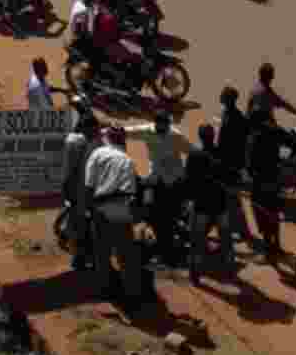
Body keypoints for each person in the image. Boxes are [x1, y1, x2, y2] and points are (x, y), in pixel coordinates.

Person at [85, 126, 142, 305]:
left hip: (100, 212)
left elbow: (89, 186)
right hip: (121, 214)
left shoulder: (97, 154)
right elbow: (131, 193)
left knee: (101, 254)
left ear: (108, 138)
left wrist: (90, 209)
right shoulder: (127, 161)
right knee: (126, 257)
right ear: (122, 141)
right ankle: (131, 295)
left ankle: (105, 292)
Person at [183, 123, 236, 285]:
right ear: (213, 136)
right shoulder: (222, 153)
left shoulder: (194, 154)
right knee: (226, 239)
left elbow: (188, 181)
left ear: (200, 136)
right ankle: (229, 270)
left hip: (201, 206)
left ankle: (195, 275)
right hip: (220, 205)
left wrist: (189, 199)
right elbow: (230, 178)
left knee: (197, 241)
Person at [138, 111, 188, 265]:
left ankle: (169, 243)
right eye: (162, 125)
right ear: (156, 124)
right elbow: (127, 131)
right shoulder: (147, 131)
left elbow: (189, 150)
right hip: (157, 180)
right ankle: (165, 241)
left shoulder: (175, 135)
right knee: (155, 213)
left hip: (174, 182)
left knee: (169, 214)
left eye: (166, 125)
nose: (164, 127)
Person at [246, 61, 296, 162]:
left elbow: (249, 111)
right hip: (266, 129)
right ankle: (283, 164)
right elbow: (286, 106)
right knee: (292, 142)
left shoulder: (254, 89)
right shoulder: (266, 92)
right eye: (271, 75)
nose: (272, 78)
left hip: (256, 130)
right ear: (269, 76)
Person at [215, 86, 257, 248]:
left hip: (229, 167)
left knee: (232, 200)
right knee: (232, 200)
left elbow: (223, 145)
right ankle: (239, 229)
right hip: (236, 165)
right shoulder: (237, 116)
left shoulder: (229, 119)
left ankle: (243, 231)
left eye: (222, 96)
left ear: (226, 99)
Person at [244, 96, 283, 260]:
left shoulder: (254, 139)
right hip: (274, 181)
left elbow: (250, 165)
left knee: (263, 216)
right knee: (274, 214)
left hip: (260, 185)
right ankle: (277, 246)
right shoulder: (274, 132)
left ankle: (269, 251)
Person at [62, 107, 100, 268]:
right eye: (94, 130)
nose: (95, 132)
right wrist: (68, 191)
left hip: (88, 191)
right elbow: (69, 171)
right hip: (79, 192)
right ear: (86, 128)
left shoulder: (89, 141)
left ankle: (83, 255)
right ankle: (79, 257)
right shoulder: (76, 142)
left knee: (83, 224)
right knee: (79, 225)